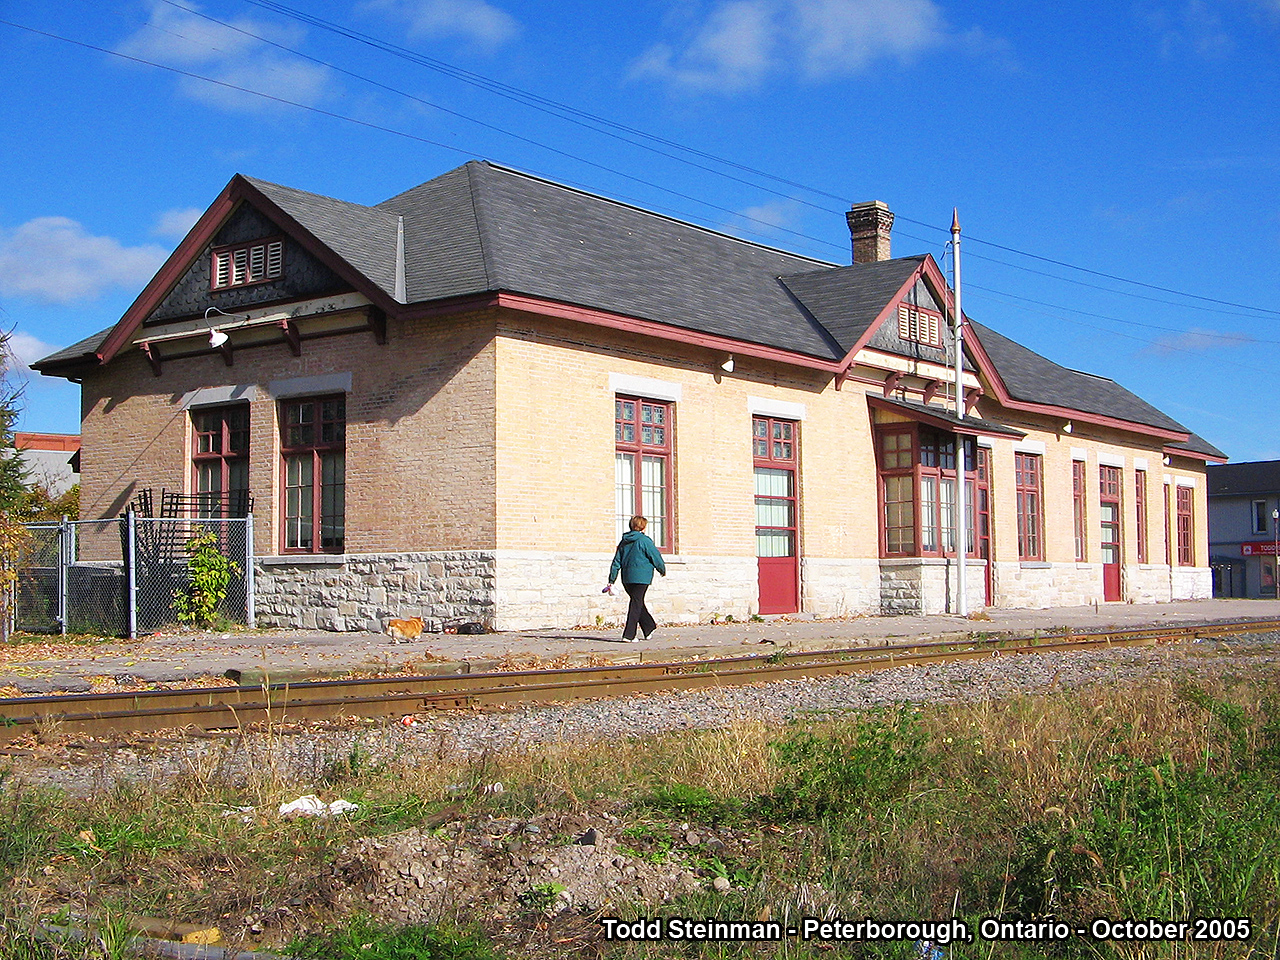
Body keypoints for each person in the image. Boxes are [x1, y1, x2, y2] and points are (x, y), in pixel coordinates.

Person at [607, 515, 667, 642]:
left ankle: (649, 627)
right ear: (643, 527)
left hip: (627, 578)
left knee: (637, 601)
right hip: (642, 578)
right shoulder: (645, 541)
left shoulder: (624, 541)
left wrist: (612, 579)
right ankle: (629, 635)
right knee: (636, 603)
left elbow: (616, 561)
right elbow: (655, 556)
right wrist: (662, 569)